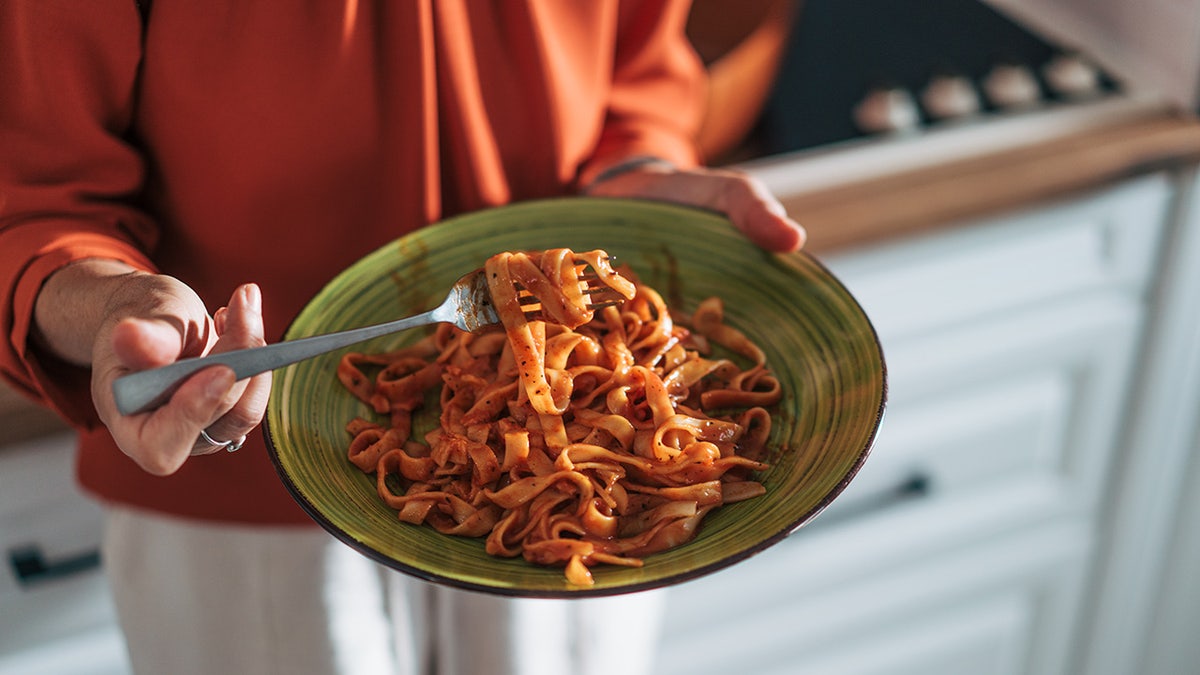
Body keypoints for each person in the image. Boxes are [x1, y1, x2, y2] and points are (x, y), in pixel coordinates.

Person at [0, 2, 805, 674]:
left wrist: (632, 175)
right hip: (236, 481)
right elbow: (33, 196)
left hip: (577, 497)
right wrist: (113, 307)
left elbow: (636, 71)